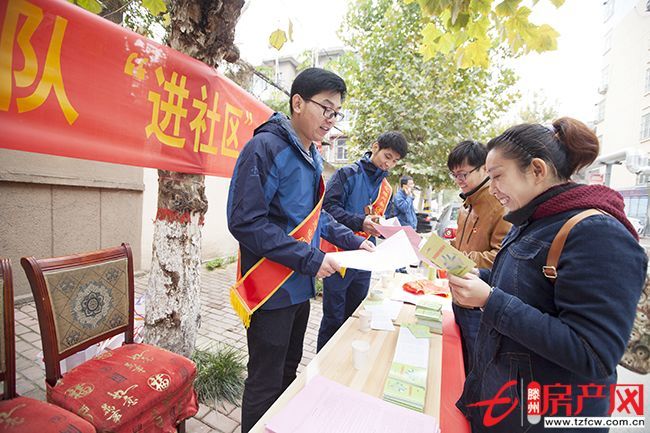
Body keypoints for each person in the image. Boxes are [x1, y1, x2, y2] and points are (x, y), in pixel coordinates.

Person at [448, 118, 647, 432]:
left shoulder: (597, 232)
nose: (493, 188)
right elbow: (527, 289)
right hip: (505, 402)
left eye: (497, 176)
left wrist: (490, 300)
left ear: (537, 169)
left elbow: (593, 353)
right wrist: (483, 278)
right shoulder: (532, 222)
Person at [227, 68, 374, 432]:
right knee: (264, 381)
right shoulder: (266, 148)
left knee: (288, 373)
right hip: (271, 290)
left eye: (336, 112)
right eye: (325, 107)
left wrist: (355, 240)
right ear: (297, 102)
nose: (331, 119)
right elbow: (245, 222)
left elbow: (316, 217)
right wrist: (310, 258)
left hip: (300, 287)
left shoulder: (311, 155)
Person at [317, 131, 409, 351]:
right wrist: (360, 222)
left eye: (395, 161)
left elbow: (382, 220)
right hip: (339, 257)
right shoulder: (347, 174)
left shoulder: (386, 189)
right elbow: (327, 209)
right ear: (375, 147)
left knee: (356, 315)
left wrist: (386, 230)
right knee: (333, 318)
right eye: (387, 156)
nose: (389, 164)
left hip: (366, 259)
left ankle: (345, 361)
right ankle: (322, 364)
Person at [446, 140, 511, 374]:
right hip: (459, 295)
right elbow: (460, 244)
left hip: (479, 304)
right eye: (454, 175)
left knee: (477, 369)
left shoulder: (499, 205)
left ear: (484, 168)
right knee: (461, 364)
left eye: (463, 174)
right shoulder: (467, 204)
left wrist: (459, 257)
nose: (459, 180)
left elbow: (501, 258)